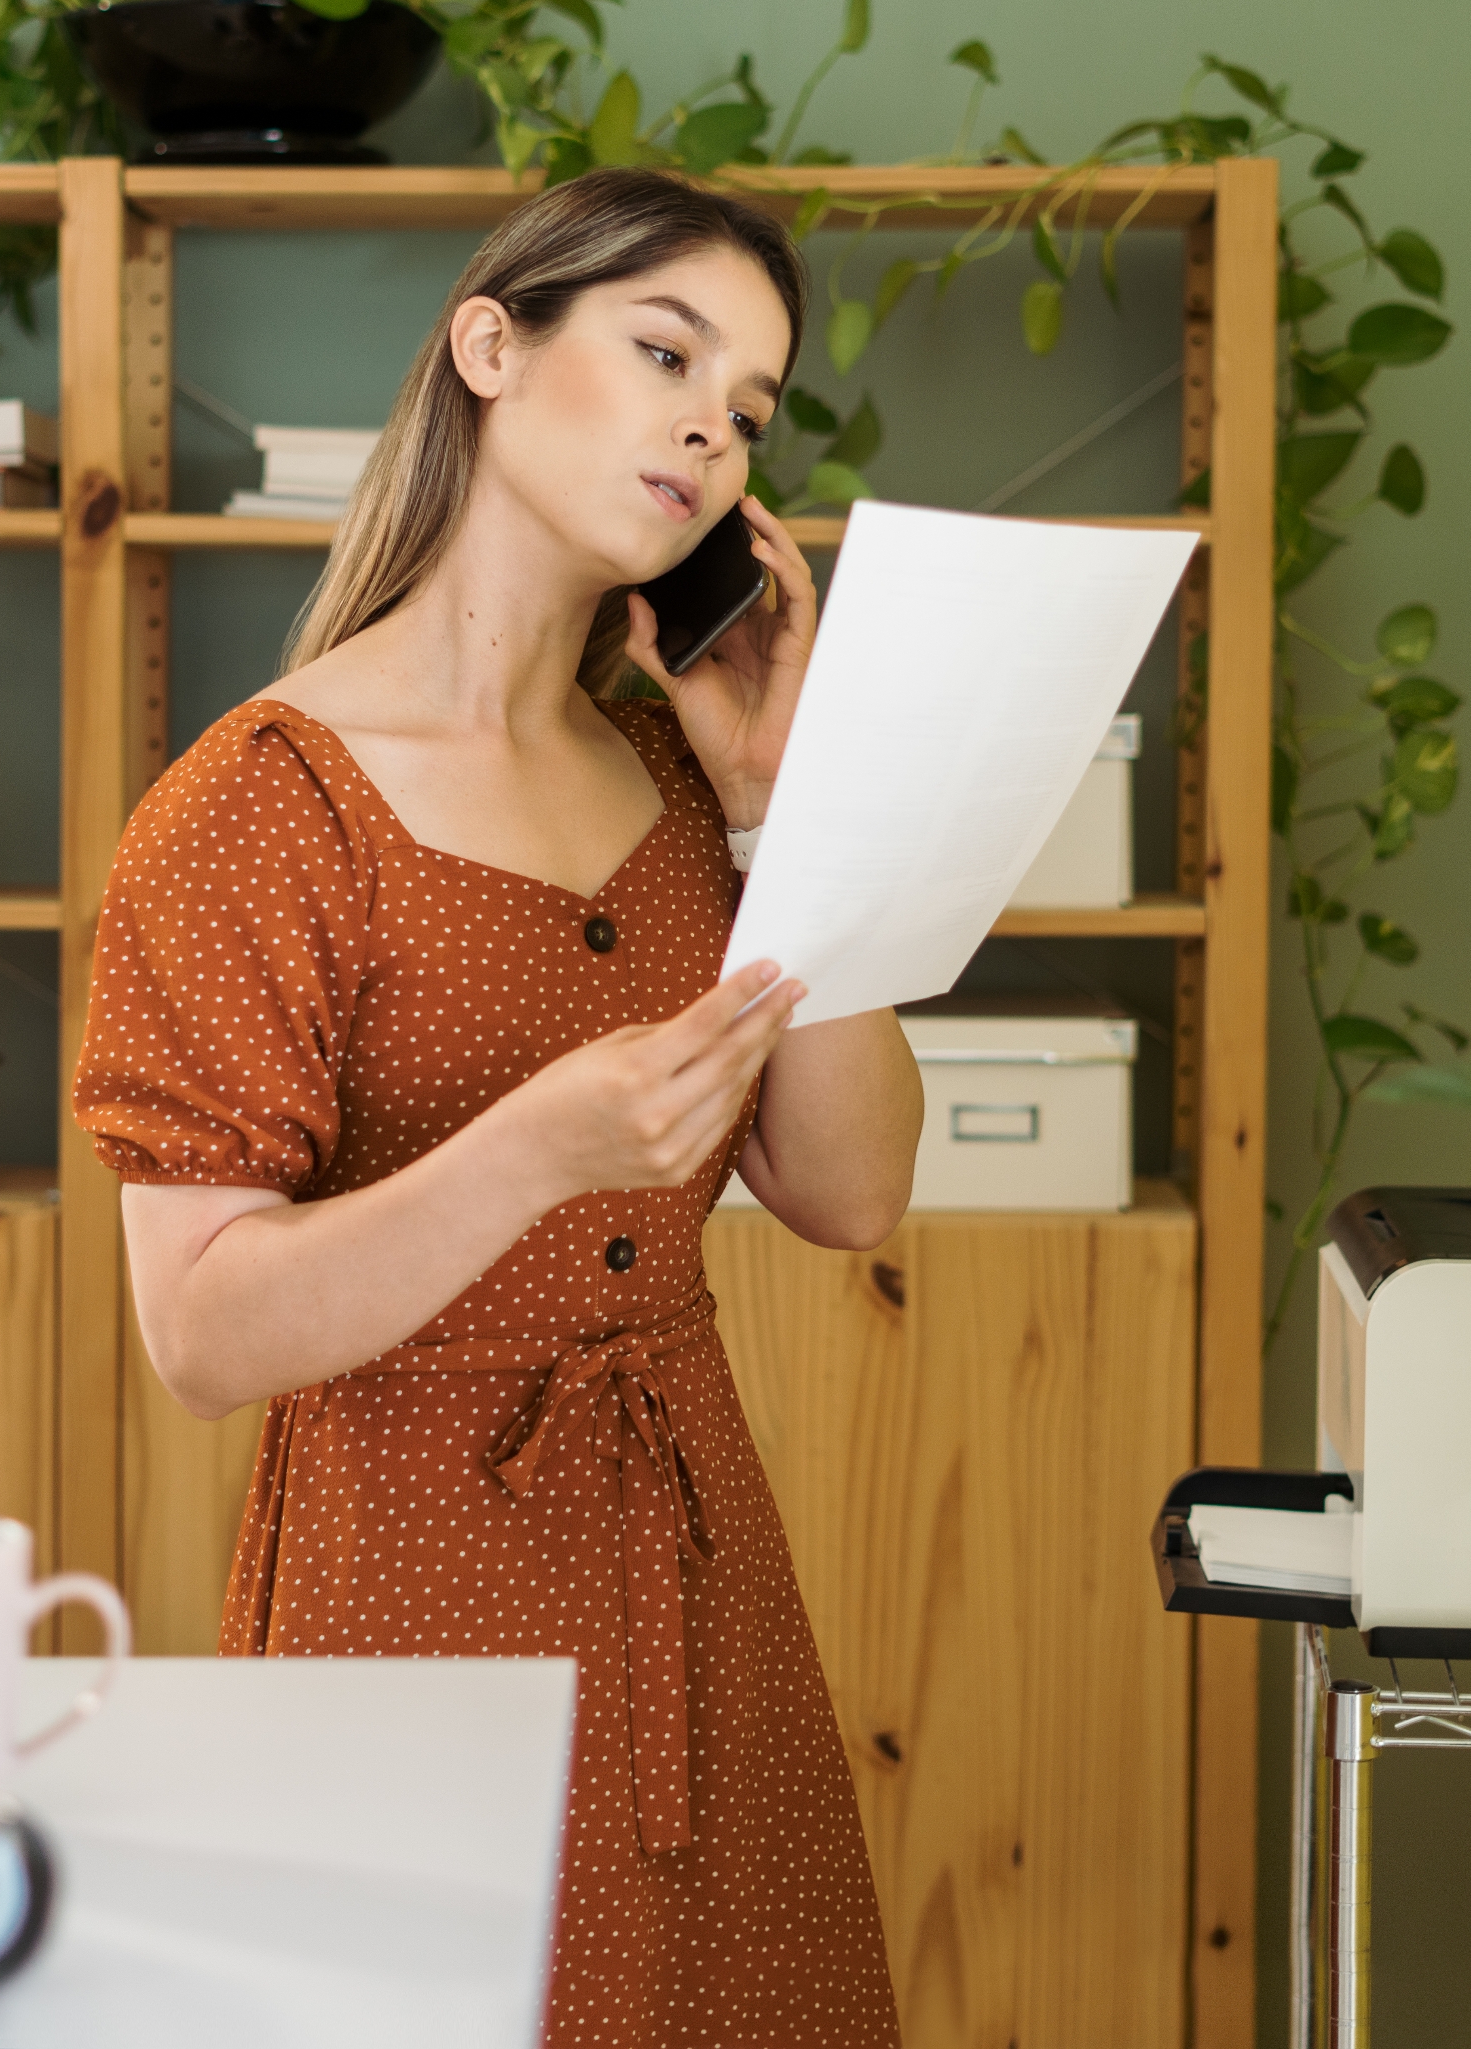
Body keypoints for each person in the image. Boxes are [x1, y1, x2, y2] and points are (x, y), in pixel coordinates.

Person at [74, 165, 923, 2049]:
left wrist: (789, 804)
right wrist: (536, 1148)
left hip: (693, 1571)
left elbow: (853, 1188)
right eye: (666, 351)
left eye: (756, 405)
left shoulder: (684, 772)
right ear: (490, 350)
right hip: (402, 1591)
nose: (715, 423)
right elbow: (203, 1331)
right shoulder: (255, 811)